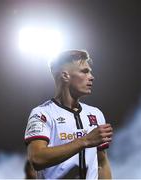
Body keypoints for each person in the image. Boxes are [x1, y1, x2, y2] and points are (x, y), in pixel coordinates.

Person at [24, 50, 113, 179]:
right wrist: (86, 140)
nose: (92, 76)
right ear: (65, 76)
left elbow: (102, 163)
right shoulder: (42, 113)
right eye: (84, 71)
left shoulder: (95, 113)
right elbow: (37, 159)